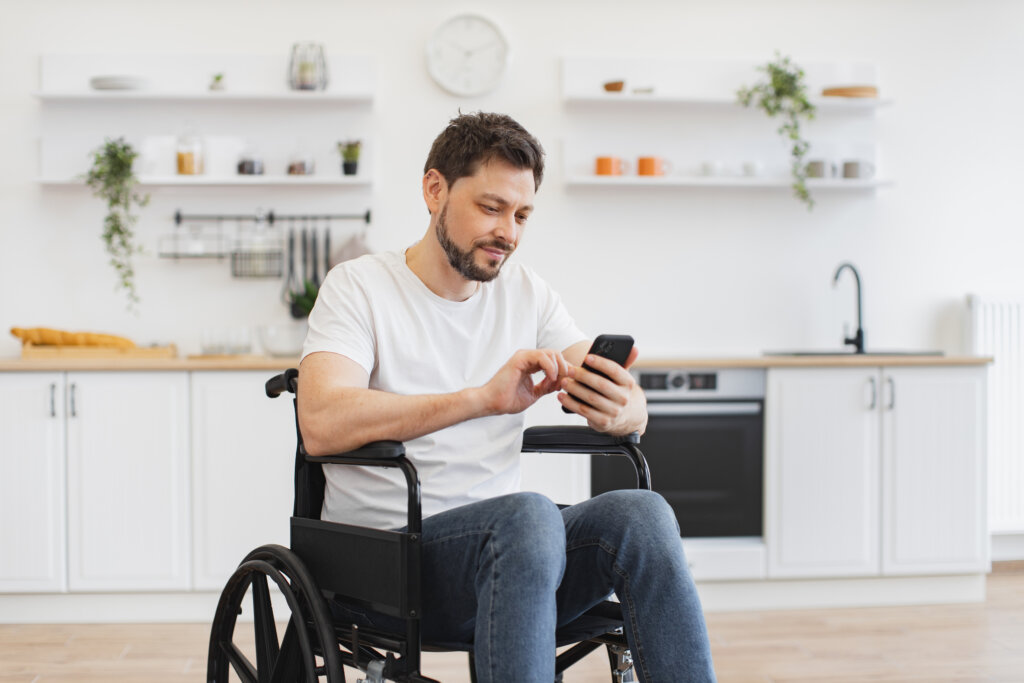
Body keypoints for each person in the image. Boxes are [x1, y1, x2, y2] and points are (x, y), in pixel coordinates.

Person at [298, 111, 716, 682]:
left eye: (521, 215)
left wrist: (627, 407)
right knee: (528, 516)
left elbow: (595, 368)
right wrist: (480, 399)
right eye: (491, 208)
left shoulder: (527, 293)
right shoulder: (359, 286)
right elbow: (321, 420)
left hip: (518, 558)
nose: (509, 233)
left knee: (641, 514)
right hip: (392, 563)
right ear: (434, 189)